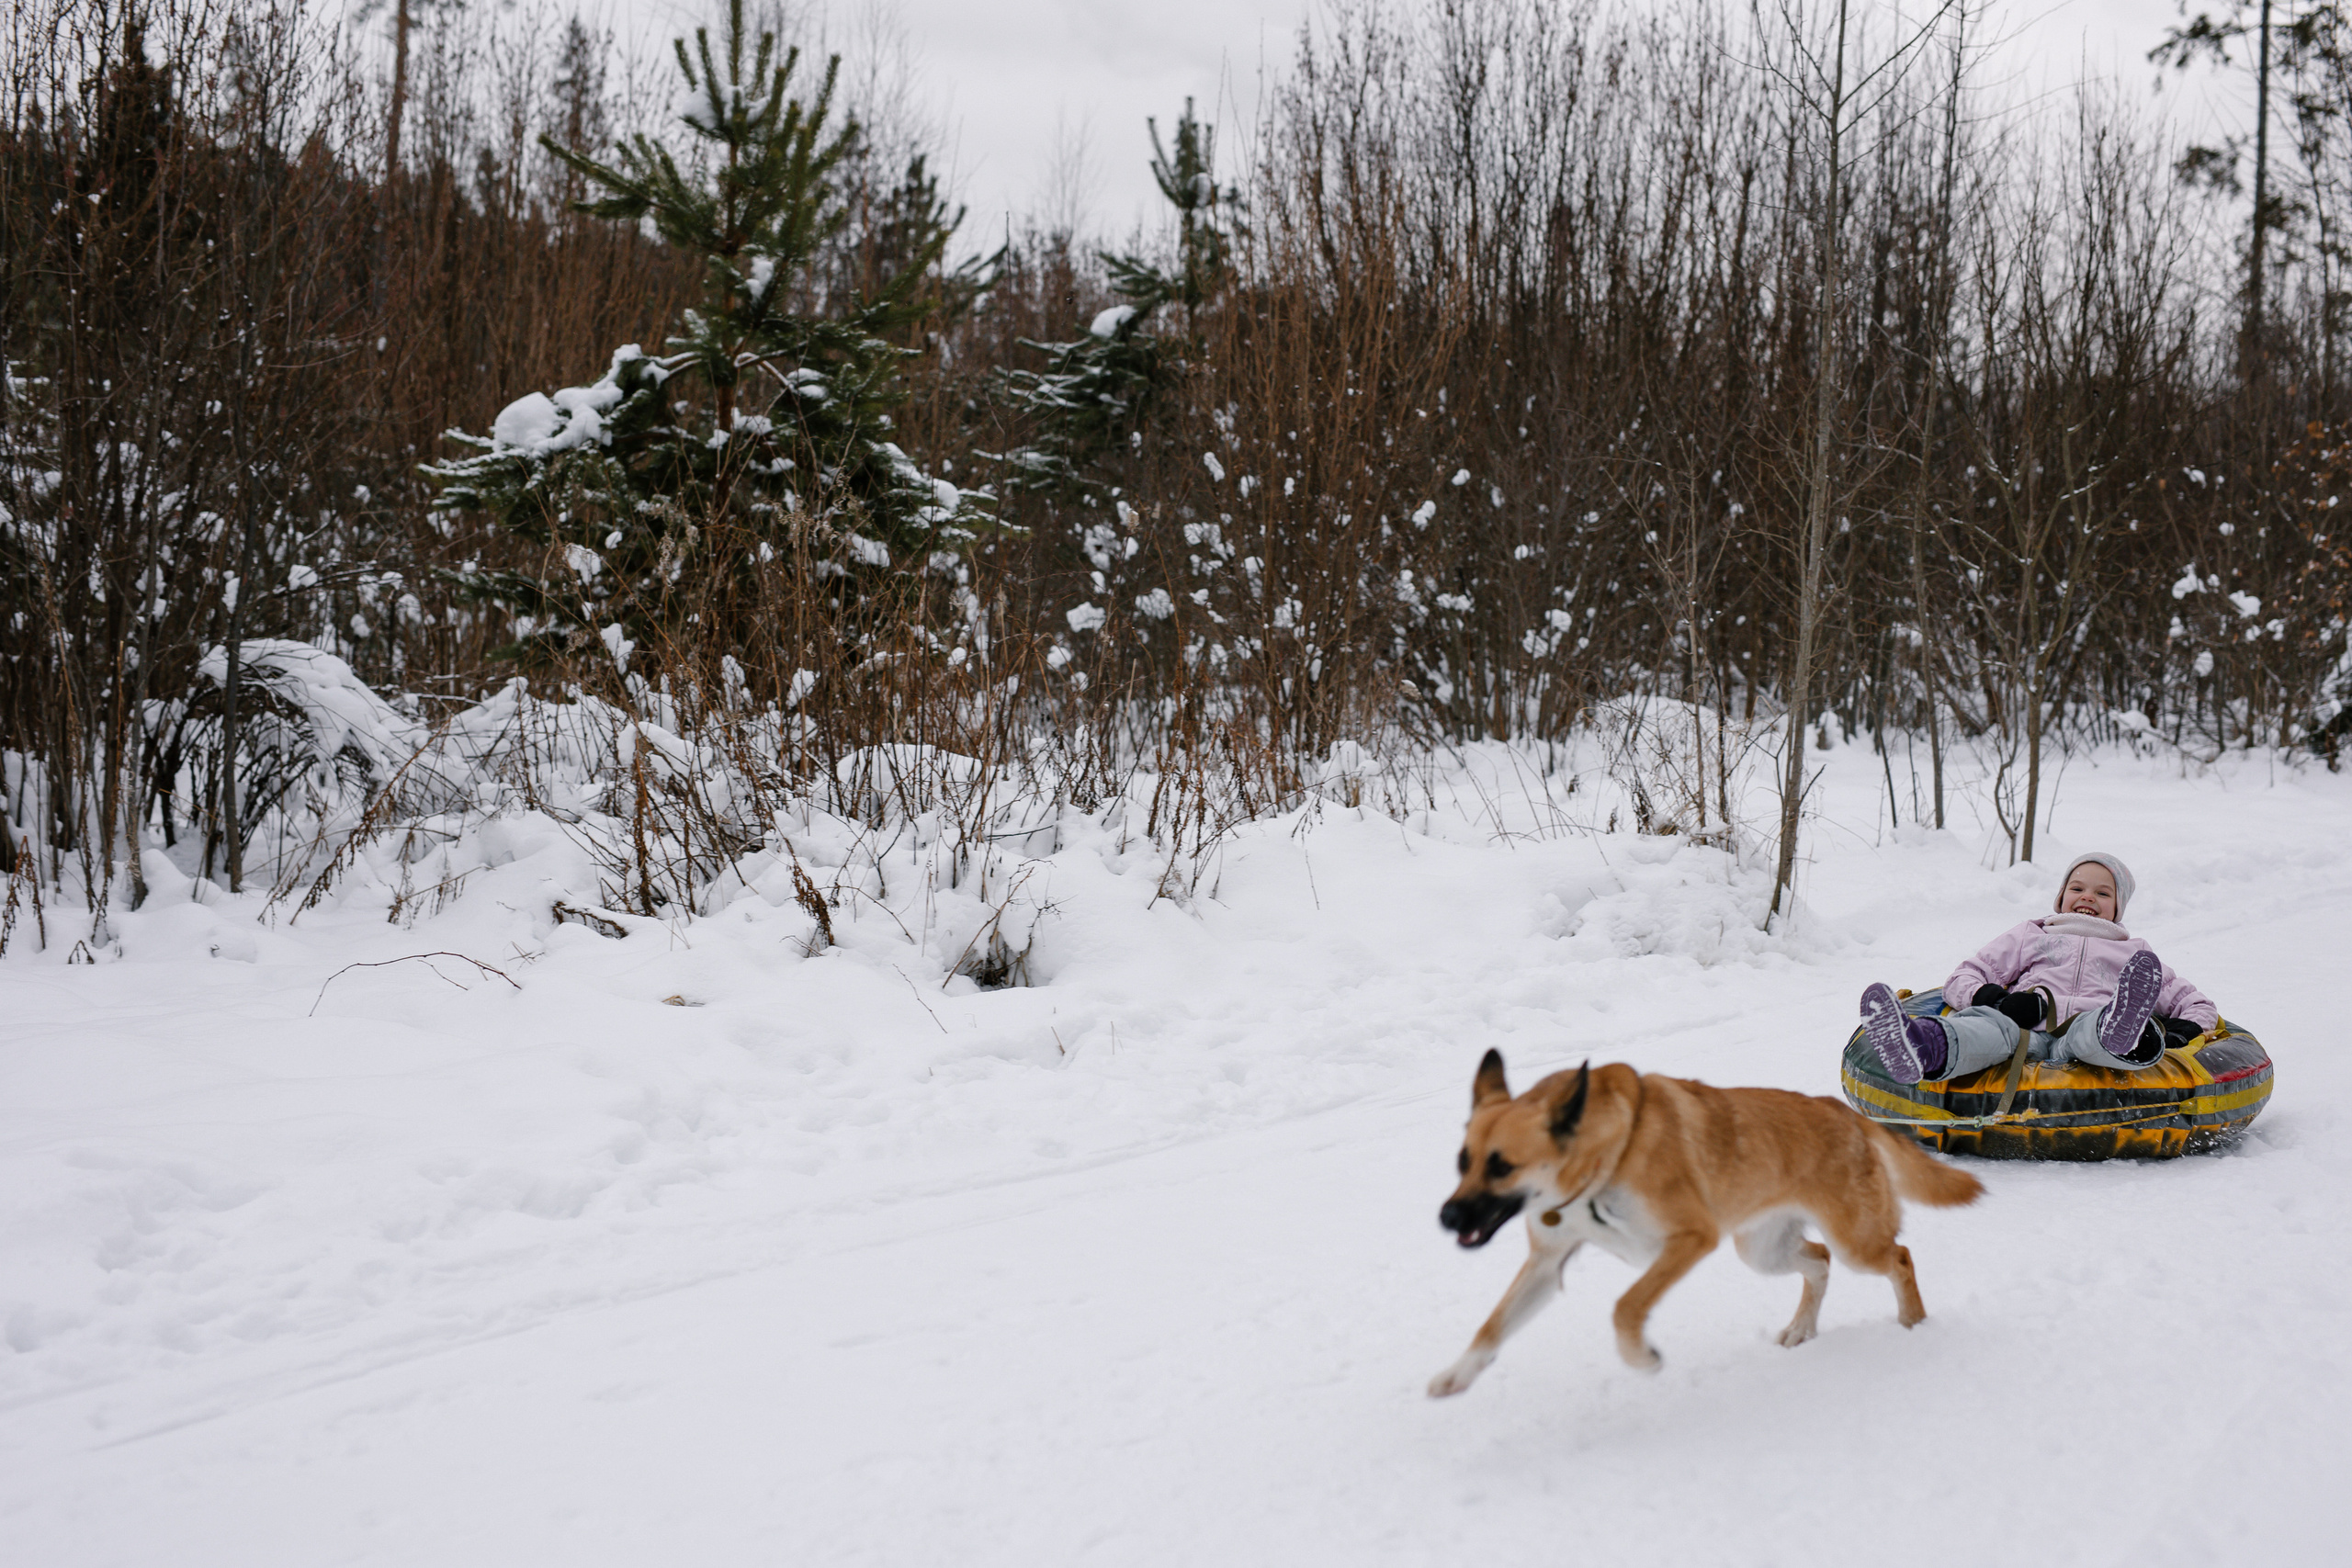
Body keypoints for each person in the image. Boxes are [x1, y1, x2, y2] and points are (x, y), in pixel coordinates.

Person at [1859, 852, 2220, 1086]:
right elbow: (1962, 979)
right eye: (2077, 887)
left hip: (2084, 1031)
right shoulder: (2032, 934)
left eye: (2103, 893)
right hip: (2023, 1027)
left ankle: (2127, 1031)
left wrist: (2175, 1031)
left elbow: (2198, 1007)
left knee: (2093, 1031)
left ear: (2118, 908)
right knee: (1987, 1029)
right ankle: (1922, 1046)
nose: (2088, 897)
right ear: (2061, 896)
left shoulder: (2134, 954)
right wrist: (1998, 1001)